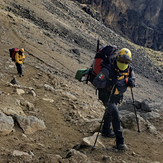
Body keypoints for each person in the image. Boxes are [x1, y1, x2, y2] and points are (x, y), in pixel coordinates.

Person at [93, 48, 135, 150]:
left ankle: (106, 130)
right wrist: (108, 84)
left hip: (116, 96)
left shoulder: (128, 69)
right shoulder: (107, 69)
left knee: (110, 111)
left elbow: (133, 78)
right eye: (121, 60)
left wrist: (131, 82)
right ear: (117, 58)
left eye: (126, 62)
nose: (123, 63)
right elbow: (96, 82)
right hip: (106, 96)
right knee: (115, 114)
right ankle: (120, 141)